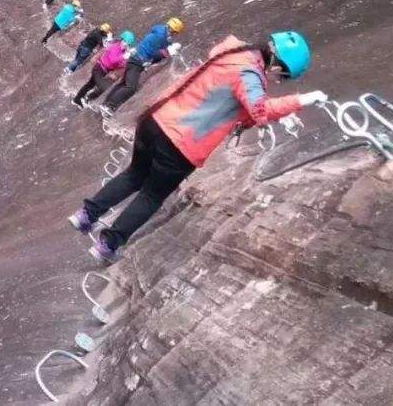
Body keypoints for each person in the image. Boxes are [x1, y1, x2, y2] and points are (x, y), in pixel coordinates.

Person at [68, 31, 327, 263]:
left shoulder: (234, 53)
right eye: (283, 75)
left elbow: (237, 107)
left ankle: (86, 215)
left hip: (156, 120)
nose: (279, 80)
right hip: (181, 143)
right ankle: (108, 244)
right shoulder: (250, 73)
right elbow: (259, 111)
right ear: (278, 64)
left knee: (134, 174)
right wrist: (301, 100)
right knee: (151, 195)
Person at [99, 17, 185, 117]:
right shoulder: (161, 37)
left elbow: (160, 45)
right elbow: (151, 52)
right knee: (131, 87)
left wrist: (169, 46)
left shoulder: (160, 31)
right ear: (172, 30)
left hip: (135, 59)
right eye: (176, 32)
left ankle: (106, 103)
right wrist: (166, 52)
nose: (175, 35)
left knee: (124, 84)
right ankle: (109, 105)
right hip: (138, 61)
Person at [72, 31, 136, 107]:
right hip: (99, 68)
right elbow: (112, 60)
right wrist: (123, 57)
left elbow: (118, 65)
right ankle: (87, 98)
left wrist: (126, 59)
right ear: (121, 40)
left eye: (128, 44)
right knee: (104, 87)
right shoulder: (116, 46)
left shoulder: (123, 52)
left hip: (103, 71)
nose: (125, 44)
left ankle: (76, 100)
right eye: (125, 42)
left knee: (89, 85)